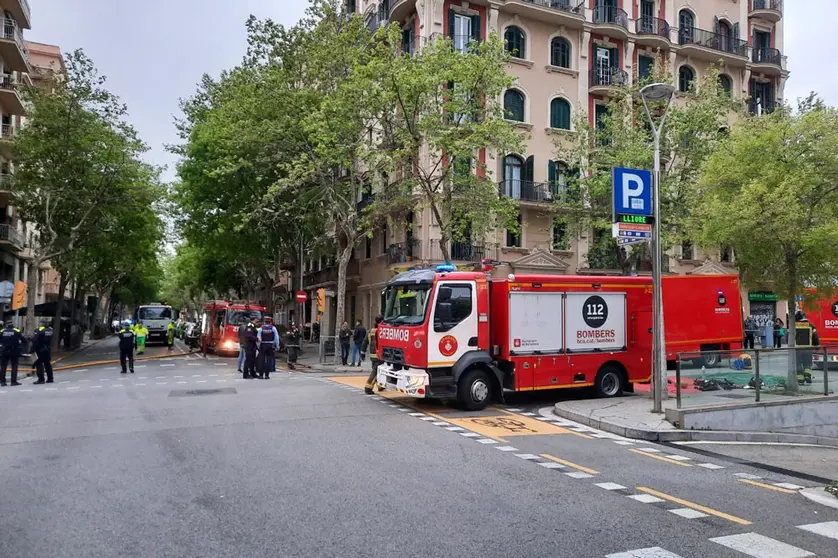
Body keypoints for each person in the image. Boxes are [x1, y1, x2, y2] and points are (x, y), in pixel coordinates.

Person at [363, 315, 383, 394]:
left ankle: (380, 386)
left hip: (372, 355)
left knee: (377, 370)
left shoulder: (370, 331)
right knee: (376, 371)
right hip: (379, 355)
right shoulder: (381, 331)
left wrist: (362, 353)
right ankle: (368, 387)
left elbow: (365, 342)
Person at [0, 321, 23, 387]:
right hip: (14, 351)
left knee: (3, 367)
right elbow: (23, 339)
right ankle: (13, 381)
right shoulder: (16, 331)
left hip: (4, 351)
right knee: (14, 366)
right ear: (12, 325)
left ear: (6, 325)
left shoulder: (2, 331)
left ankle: (2, 382)